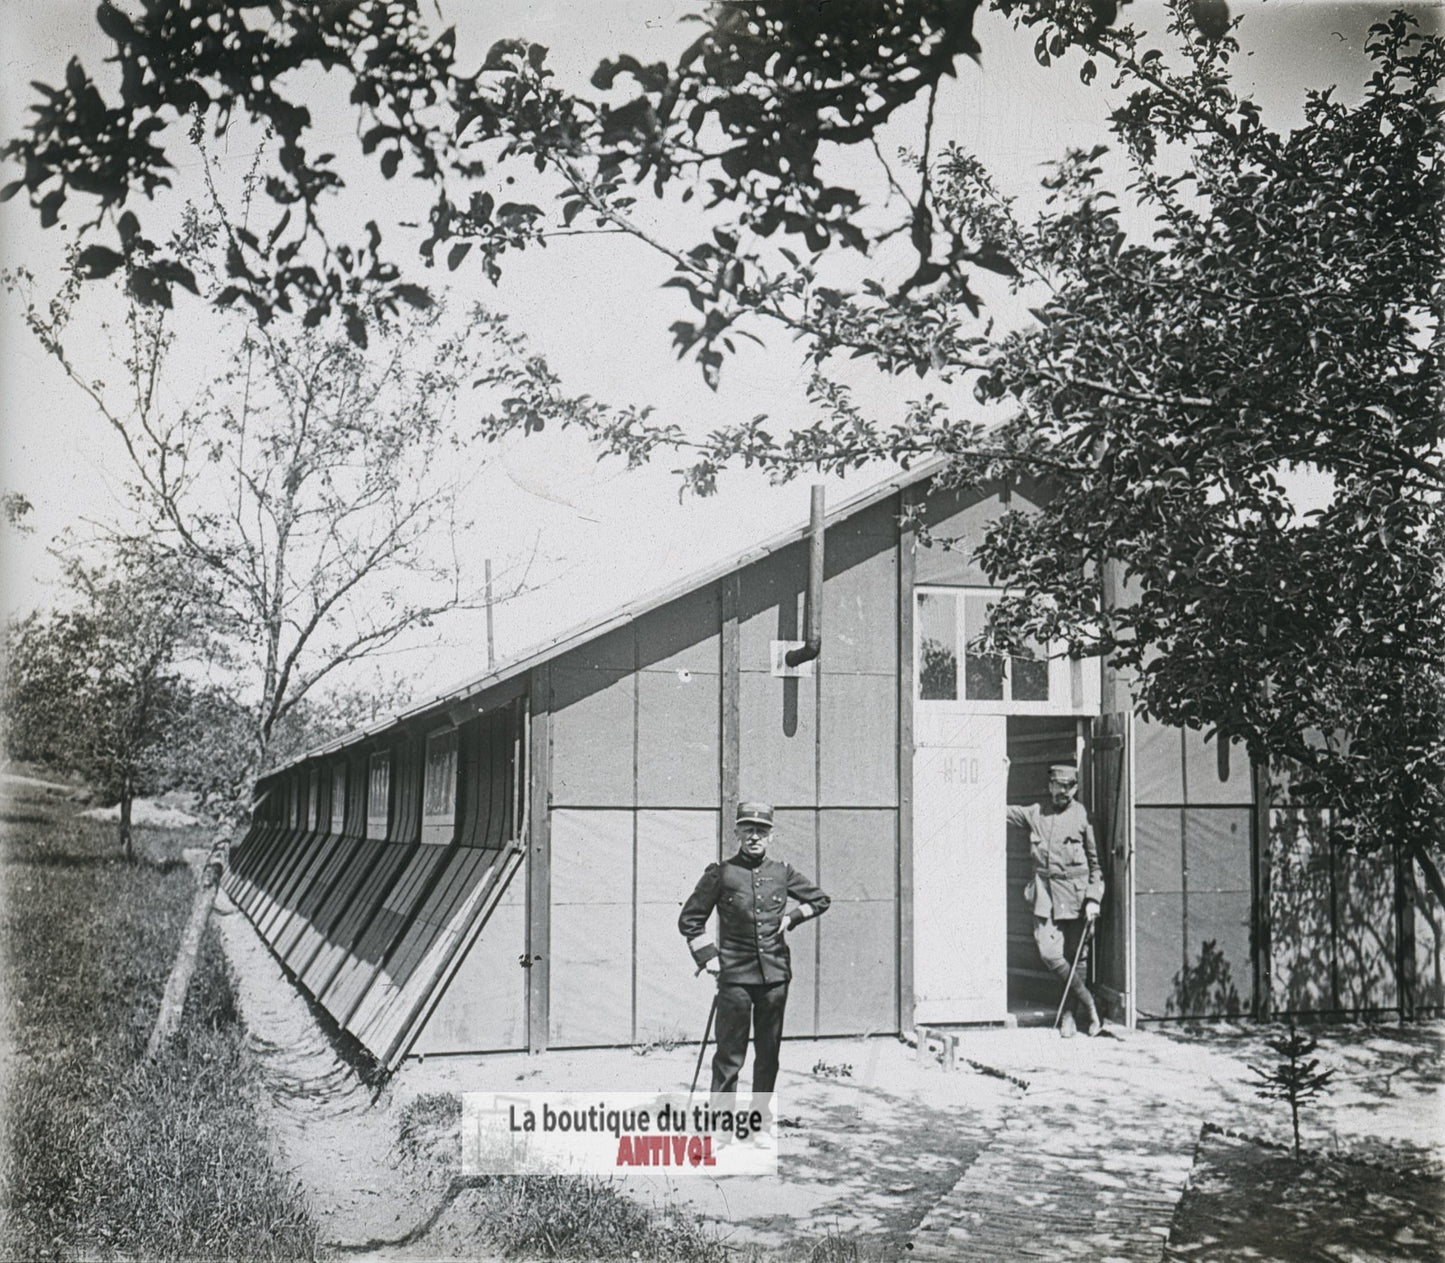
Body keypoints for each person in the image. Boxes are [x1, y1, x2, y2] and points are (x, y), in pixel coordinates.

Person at [678, 802, 830, 1122]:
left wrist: (791, 917)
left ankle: (759, 1119)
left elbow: (820, 900)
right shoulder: (721, 872)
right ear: (736, 833)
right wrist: (709, 957)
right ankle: (720, 1125)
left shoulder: (782, 872)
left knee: (768, 1054)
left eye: (761, 831)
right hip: (735, 978)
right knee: (729, 1056)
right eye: (748, 829)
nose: (754, 837)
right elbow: (690, 919)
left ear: (771, 836)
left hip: (774, 978)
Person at [1007, 764, 1105, 1037]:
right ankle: (1091, 1004)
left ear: (1074, 788)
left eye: (1067, 788)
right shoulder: (1036, 812)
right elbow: (999, 811)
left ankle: (1070, 1015)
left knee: (1077, 958)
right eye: (1057, 787)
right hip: (1045, 897)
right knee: (1050, 954)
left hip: (1076, 898)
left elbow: (1097, 867)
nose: (1061, 793)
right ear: (1049, 786)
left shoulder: (1083, 816)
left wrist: (1093, 899)